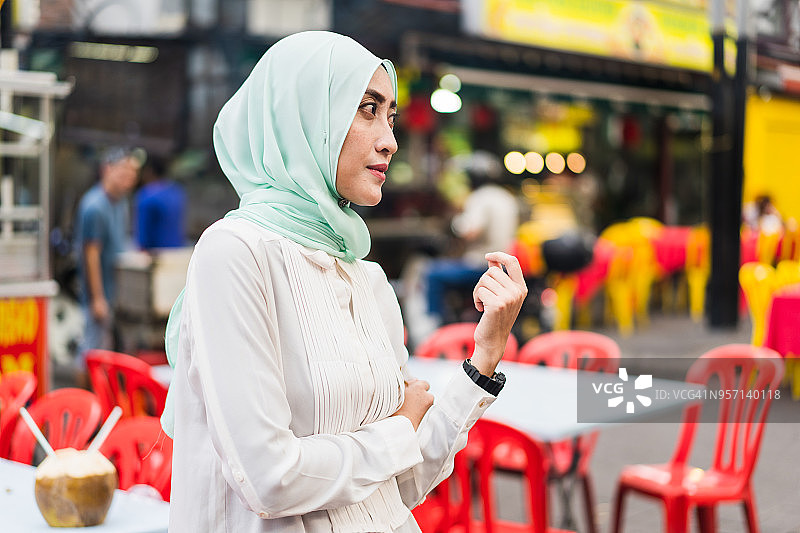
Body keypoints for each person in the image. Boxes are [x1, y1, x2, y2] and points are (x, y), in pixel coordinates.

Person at [161, 31, 527, 532]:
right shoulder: (236, 253)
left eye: (390, 116)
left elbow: (403, 483)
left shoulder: (365, 277)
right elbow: (269, 478)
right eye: (366, 109)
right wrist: (399, 429)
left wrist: (485, 356)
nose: (390, 140)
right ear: (303, 118)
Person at [424, 151, 521, 324]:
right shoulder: (507, 196)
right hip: (503, 267)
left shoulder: (480, 197)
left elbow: (470, 230)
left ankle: (435, 324)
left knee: (432, 274)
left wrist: (455, 222)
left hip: (481, 264)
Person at [74, 147, 141, 370]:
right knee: (91, 353)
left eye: (133, 172)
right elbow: (91, 254)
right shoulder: (94, 206)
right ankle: (83, 392)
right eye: (124, 170)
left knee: (108, 352)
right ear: (107, 169)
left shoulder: (121, 202)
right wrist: (97, 298)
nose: (129, 176)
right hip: (99, 293)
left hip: (116, 291)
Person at [134, 154, 187, 249]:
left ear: (149, 171)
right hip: (177, 248)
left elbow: (143, 234)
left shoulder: (147, 195)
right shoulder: (177, 191)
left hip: (156, 253)